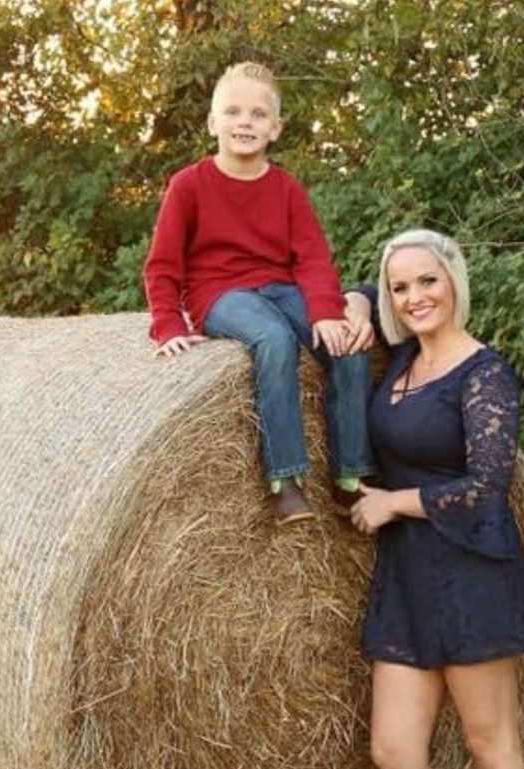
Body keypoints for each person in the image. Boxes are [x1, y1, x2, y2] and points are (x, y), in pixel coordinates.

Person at [345, 230, 524, 769]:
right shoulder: (402, 360)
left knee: (490, 743)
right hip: (407, 576)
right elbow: (355, 299)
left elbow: (486, 487)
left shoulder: (484, 373)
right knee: (393, 748)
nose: (414, 297)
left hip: (472, 571)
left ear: (455, 281)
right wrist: (357, 299)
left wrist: (392, 503)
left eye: (427, 281)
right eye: (400, 287)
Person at [143, 62, 375, 524]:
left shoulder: (286, 189)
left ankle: (351, 476)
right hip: (219, 294)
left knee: (348, 344)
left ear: (276, 127)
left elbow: (313, 259)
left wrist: (326, 312)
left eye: (257, 114)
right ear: (213, 122)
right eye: (232, 112)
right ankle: (284, 480)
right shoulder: (188, 185)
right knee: (274, 338)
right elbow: (162, 265)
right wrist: (168, 325)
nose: (244, 122)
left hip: (282, 287)